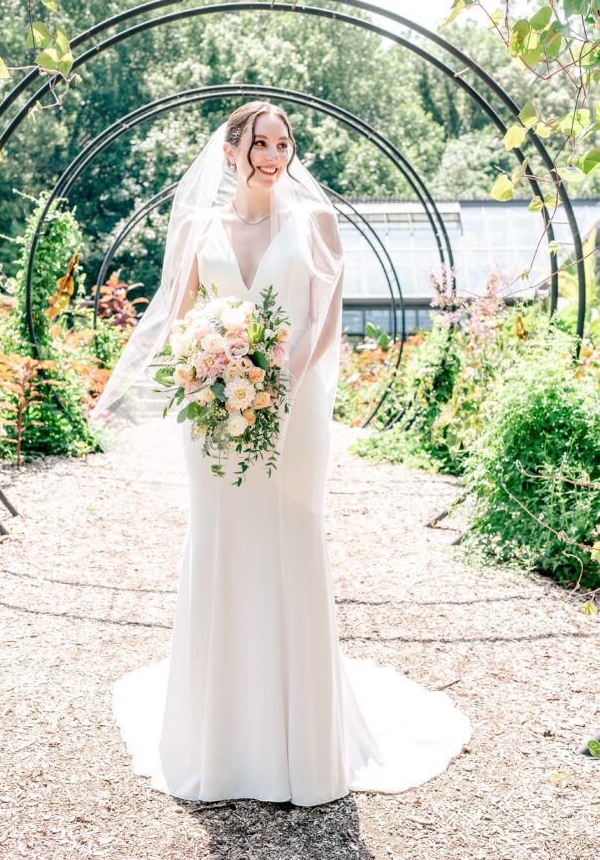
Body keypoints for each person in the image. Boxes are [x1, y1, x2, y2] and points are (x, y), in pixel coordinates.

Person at [88, 101, 472, 807]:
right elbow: (177, 317)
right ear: (231, 149)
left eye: (282, 144)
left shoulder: (313, 222)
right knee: (222, 545)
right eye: (259, 143)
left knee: (291, 542)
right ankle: (222, 740)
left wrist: (285, 376)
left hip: (292, 412)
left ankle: (300, 744)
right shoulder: (199, 227)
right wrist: (201, 370)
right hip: (211, 415)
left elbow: (327, 314)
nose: (272, 155)